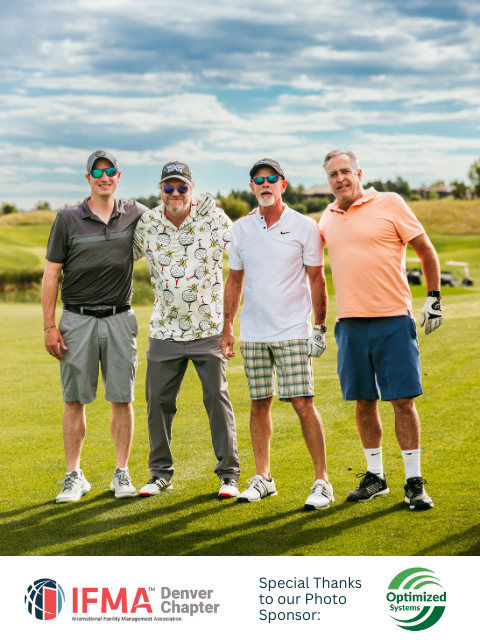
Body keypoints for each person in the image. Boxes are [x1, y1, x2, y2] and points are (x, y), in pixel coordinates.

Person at [42, 150, 216, 503]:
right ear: (88, 177)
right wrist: (49, 325)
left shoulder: (135, 213)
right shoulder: (67, 219)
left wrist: (204, 207)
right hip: (76, 319)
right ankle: (73, 475)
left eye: (110, 171)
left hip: (121, 317)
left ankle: (121, 472)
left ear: (118, 177)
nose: (104, 177)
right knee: (75, 399)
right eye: (97, 172)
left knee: (122, 397)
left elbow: (174, 213)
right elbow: (51, 274)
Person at [319, 149, 442, 511]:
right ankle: (376, 477)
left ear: (358, 172)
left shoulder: (390, 202)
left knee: (402, 401)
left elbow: (426, 251)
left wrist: (433, 298)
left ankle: (413, 482)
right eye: (332, 175)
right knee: (363, 402)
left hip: (392, 319)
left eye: (345, 171)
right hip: (350, 325)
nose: (340, 178)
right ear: (328, 181)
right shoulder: (326, 217)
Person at [221, 158, 333, 510]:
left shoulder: (304, 226)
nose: (265, 185)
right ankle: (264, 478)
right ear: (252, 187)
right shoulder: (240, 229)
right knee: (259, 403)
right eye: (259, 180)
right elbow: (235, 281)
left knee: (302, 403)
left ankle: (322, 481)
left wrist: (319, 326)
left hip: (292, 331)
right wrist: (227, 327)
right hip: (253, 334)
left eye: (272, 179)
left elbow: (317, 278)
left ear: (283, 185)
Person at [132, 161, 241, 499]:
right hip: (164, 329)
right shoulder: (147, 224)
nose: (175, 193)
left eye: (182, 187)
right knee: (158, 403)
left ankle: (229, 476)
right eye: (169, 187)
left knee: (217, 400)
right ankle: (159, 473)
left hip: (208, 328)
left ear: (191, 189)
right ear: (160, 190)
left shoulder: (214, 218)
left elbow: (242, 253)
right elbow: (120, 251)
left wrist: (230, 323)